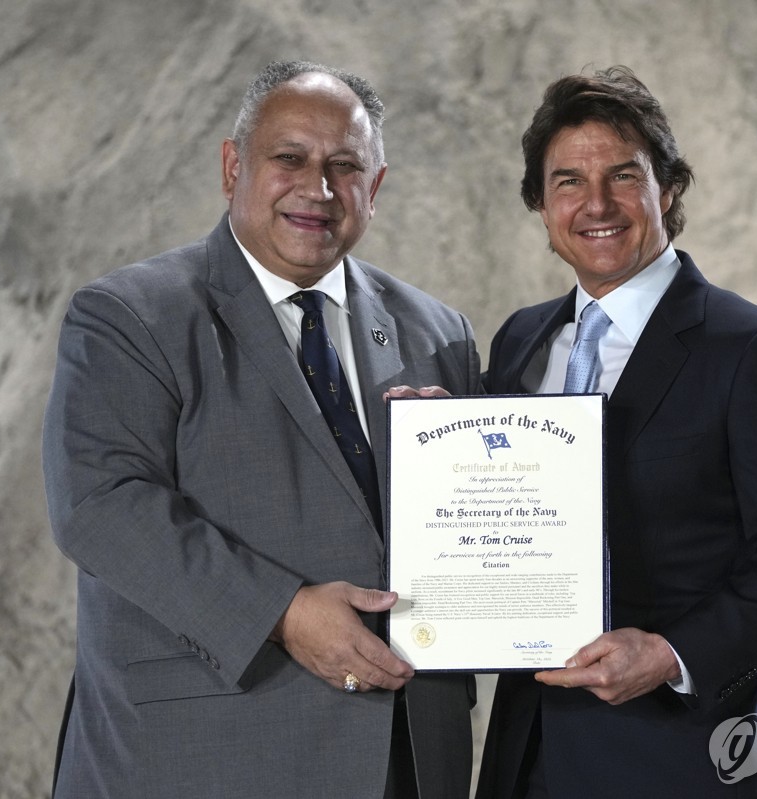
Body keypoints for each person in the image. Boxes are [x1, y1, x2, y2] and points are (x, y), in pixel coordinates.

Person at [42, 60, 479, 798]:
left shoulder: (439, 332)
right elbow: (102, 506)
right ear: (232, 166)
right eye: (290, 160)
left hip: (405, 755)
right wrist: (282, 611)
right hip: (207, 755)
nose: (319, 188)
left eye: (345, 167)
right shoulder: (129, 317)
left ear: (373, 190)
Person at [475, 66, 757, 798]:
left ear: (667, 188)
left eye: (623, 175)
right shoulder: (520, 341)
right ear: (540, 204)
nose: (597, 204)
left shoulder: (754, 348)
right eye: (568, 182)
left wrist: (672, 652)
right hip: (530, 750)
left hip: (684, 756)